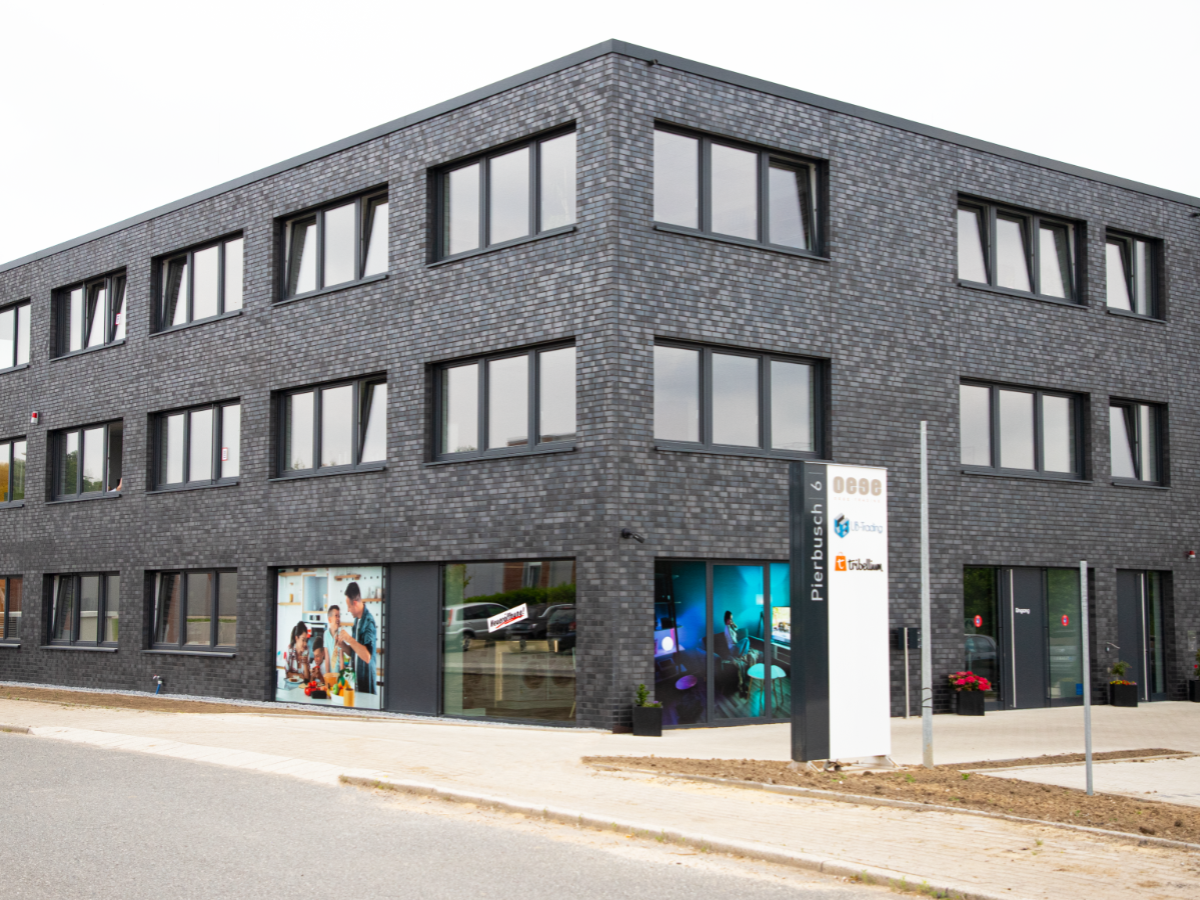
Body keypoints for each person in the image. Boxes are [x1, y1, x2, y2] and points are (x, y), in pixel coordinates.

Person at [335, 582, 376, 695]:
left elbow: (367, 657)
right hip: (356, 683)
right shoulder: (357, 621)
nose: (348, 610)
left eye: (349, 606)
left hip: (366, 686)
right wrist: (343, 645)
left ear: (355, 603)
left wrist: (349, 638)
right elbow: (355, 653)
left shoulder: (369, 621)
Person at [723, 610, 759, 698]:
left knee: (746, 641)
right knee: (746, 639)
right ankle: (743, 654)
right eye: (730, 619)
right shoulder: (727, 628)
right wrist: (739, 644)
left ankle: (742, 654)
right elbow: (733, 640)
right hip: (733, 649)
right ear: (726, 619)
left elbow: (737, 628)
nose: (731, 620)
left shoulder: (730, 626)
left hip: (736, 649)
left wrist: (733, 624)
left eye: (732, 619)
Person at [325, 605, 348, 674]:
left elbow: (341, 658)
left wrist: (341, 676)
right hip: (330, 674)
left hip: (338, 673)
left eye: (339, 616)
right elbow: (327, 656)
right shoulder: (326, 634)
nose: (338, 618)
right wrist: (327, 674)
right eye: (336, 616)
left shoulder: (340, 634)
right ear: (330, 619)